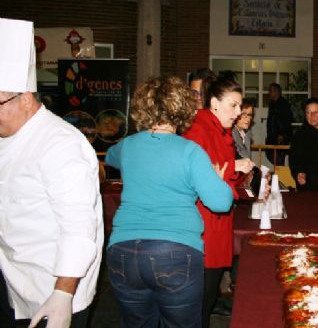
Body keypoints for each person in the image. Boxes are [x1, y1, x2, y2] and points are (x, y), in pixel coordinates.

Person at [105, 76, 233, 328]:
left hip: (123, 252)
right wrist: (217, 180)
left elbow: (110, 157)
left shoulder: (128, 146)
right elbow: (221, 202)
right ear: (182, 108)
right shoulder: (190, 151)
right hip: (174, 253)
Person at [0, 18, 103, 328]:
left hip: (53, 287)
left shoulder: (59, 144)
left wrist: (62, 294)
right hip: (12, 277)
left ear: (27, 99)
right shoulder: (9, 134)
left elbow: (78, 228)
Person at [182, 76, 254, 328]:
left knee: (208, 294)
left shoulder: (217, 129)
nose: (238, 112)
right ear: (214, 103)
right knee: (200, 298)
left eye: (239, 106)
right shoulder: (199, 130)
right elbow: (199, 174)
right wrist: (235, 165)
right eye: (233, 105)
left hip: (216, 221)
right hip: (204, 224)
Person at [266, 82, 293, 165]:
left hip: (280, 137)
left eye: (271, 91)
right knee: (270, 155)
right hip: (272, 136)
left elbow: (287, 120)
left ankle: (279, 177)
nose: (269, 93)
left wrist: (282, 134)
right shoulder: (272, 104)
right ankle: (277, 175)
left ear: (277, 92)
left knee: (279, 160)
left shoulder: (284, 104)